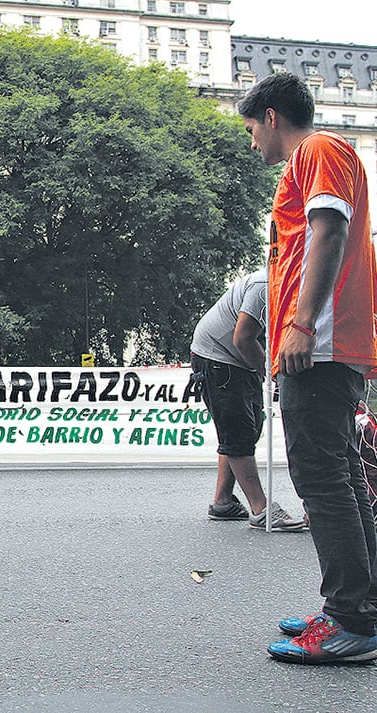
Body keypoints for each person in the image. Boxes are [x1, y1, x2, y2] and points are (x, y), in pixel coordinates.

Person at [239, 72, 377, 664]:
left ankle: (352, 619)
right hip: (332, 342)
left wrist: (299, 324)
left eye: (251, 130)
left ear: (272, 116)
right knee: (343, 476)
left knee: (322, 479)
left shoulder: (316, 149)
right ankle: (361, 606)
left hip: (318, 343)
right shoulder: (325, 156)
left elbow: (329, 232)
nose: (253, 146)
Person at [191, 268, 304, 531]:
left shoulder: (293, 284)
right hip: (218, 355)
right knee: (238, 430)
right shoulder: (266, 285)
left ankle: (222, 501)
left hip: (242, 358)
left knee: (248, 427)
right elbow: (242, 338)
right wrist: (273, 375)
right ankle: (261, 509)